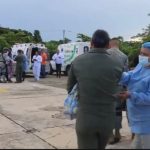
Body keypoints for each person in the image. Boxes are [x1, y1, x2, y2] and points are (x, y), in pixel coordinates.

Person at [67, 29, 124, 149]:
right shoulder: (118, 63)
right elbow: (119, 85)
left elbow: (70, 88)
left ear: (91, 43)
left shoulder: (78, 61)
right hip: (107, 119)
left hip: (85, 118)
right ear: (108, 44)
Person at [118, 42, 150, 149]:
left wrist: (131, 95)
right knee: (136, 144)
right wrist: (118, 73)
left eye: (145, 54)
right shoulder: (142, 65)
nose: (141, 57)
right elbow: (130, 77)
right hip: (137, 116)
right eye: (141, 53)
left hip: (146, 120)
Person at [107, 38, 128, 144]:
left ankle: (110, 135)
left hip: (106, 87)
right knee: (118, 111)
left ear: (110, 44)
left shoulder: (105, 54)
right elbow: (126, 74)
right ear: (118, 45)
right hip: (119, 87)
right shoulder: (124, 56)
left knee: (107, 111)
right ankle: (117, 133)